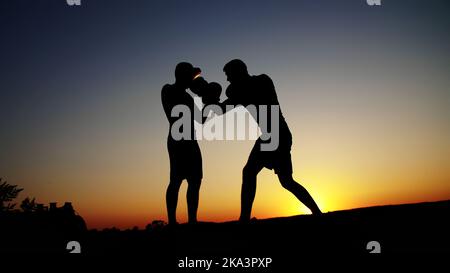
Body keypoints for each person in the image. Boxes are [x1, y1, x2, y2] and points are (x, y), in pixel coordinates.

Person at [219, 59, 322, 222]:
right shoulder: (240, 91)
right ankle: (317, 212)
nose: (227, 80)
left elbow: (241, 95)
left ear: (238, 71)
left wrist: (227, 96)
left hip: (277, 133)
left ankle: (244, 218)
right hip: (271, 135)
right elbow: (222, 109)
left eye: (229, 75)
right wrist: (208, 101)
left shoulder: (262, 80)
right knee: (279, 180)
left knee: (275, 179)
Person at [161, 62, 205, 225]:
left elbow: (201, 119)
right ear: (182, 76)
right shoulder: (168, 89)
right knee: (176, 180)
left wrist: (208, 99)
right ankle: (172, 221)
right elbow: (175, 111)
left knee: (195, 180)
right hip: (178, 140)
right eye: (190, 76)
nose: (192, 80)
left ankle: (192, 220)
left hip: (191, 141)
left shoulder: (188, 96)